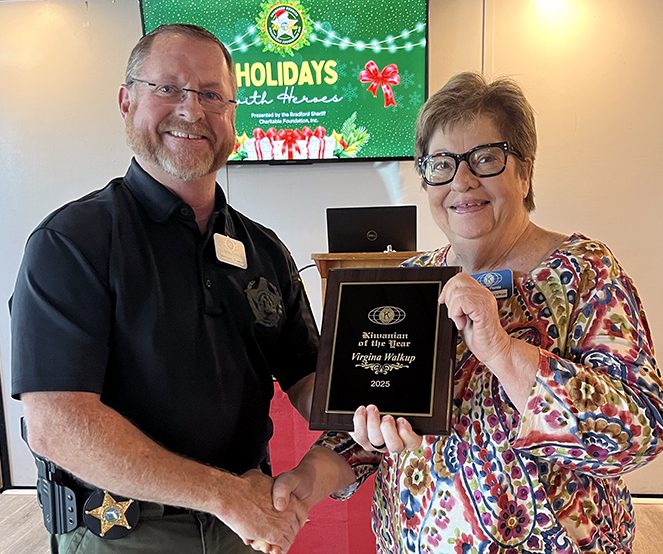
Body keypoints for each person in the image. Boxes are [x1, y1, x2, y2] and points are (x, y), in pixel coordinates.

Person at [272, 72, 663, 553]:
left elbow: (639, 433)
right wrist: (308, 479)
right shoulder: (413, 280)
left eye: (485, 158)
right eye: (441, 163)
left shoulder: (585, 272)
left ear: (524, 172)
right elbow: (364, 430)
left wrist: (502, 350)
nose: (461, 180)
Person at [10, 23, 355, 554]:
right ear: (126, 101)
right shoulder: (71, 243)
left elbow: (309, 380)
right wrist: (224, 496)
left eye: (212, 94)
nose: (192, 110)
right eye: (168, 88)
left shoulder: (263, 249)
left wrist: (383, 393)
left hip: (245, 527)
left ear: (232, 116)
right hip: (126, 533)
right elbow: (57, 425)